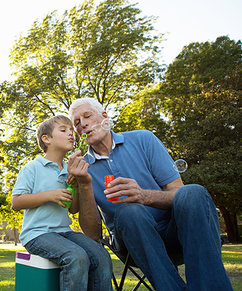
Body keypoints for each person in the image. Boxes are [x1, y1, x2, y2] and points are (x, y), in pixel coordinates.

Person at [68, 97, 233, 291]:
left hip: (177, 233)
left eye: (87, 116)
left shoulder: (143, 139)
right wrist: (84, 184)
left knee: (193, 193)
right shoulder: (82, 168)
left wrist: (144, 196)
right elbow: (93, 235)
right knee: (129, 212)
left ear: (105, 116)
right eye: (77, 123)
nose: (83, 124)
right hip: (133, 244)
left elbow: (178, 194)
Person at [12, 115, 112, 291]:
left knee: (101, 255)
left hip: (64, 231)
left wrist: (76, 186)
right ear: (46, 138)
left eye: (72, 131)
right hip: (37, 234)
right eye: (64, 130)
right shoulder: (33, 167)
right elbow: (17, 202)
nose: (71, 135)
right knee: (76, 256)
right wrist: (49, 195)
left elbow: (72, 209)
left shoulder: (69, 169)